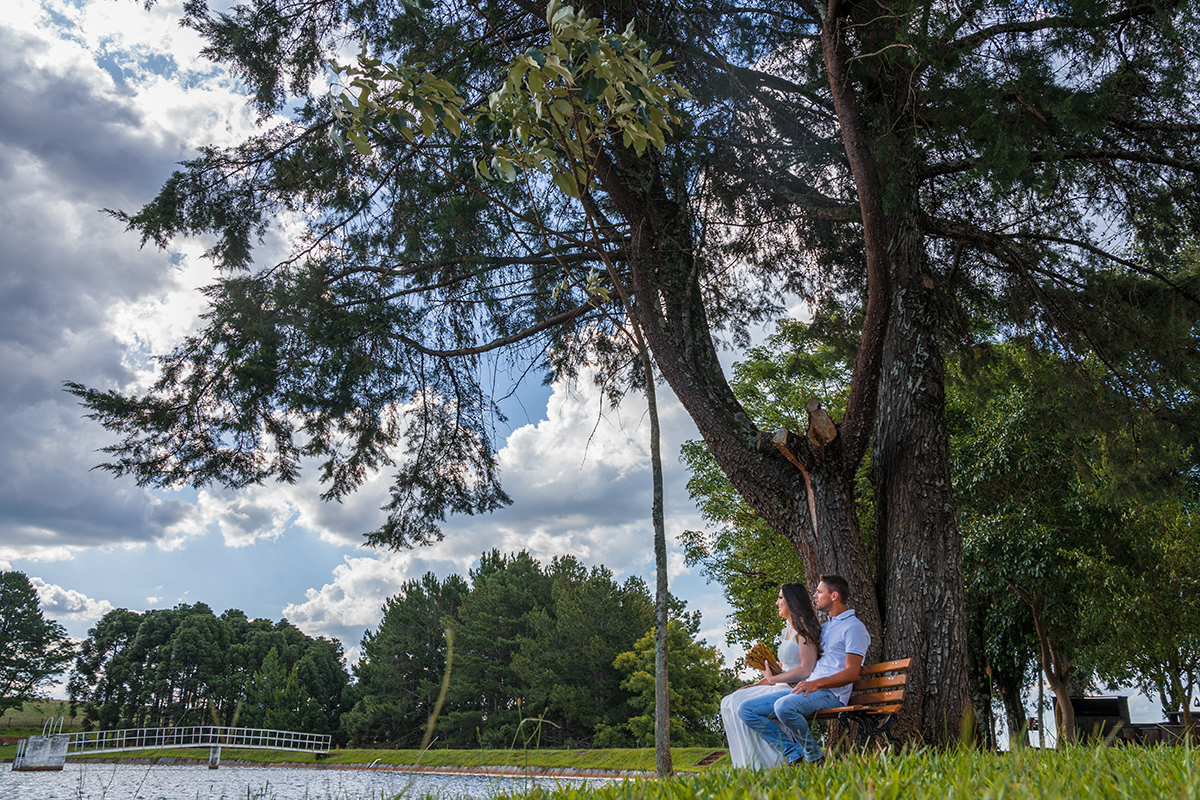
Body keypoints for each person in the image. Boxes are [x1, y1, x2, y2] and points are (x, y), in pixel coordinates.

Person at [736, 574, 870, 765]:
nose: (814, 596)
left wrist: (815, 683)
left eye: (819, 592)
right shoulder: (825, 628)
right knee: (747, 709)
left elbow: (852, 672)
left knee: (784, 706)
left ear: (834, 596)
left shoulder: (853, 628)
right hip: (810, 688)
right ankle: (795, 753)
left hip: (832, 693)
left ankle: (815, 758)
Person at [719, 582, 821, 767]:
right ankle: (747, 764)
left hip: (796, 688)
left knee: (740, 705)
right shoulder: (787, 630)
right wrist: (758, 684)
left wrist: (774, 679)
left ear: (792, 601)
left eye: (780, 598)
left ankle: (777, 761)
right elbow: (782, 667)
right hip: (779, 685)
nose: (777, 602)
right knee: (728, 701)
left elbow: (806, 670)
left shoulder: (805, 630)